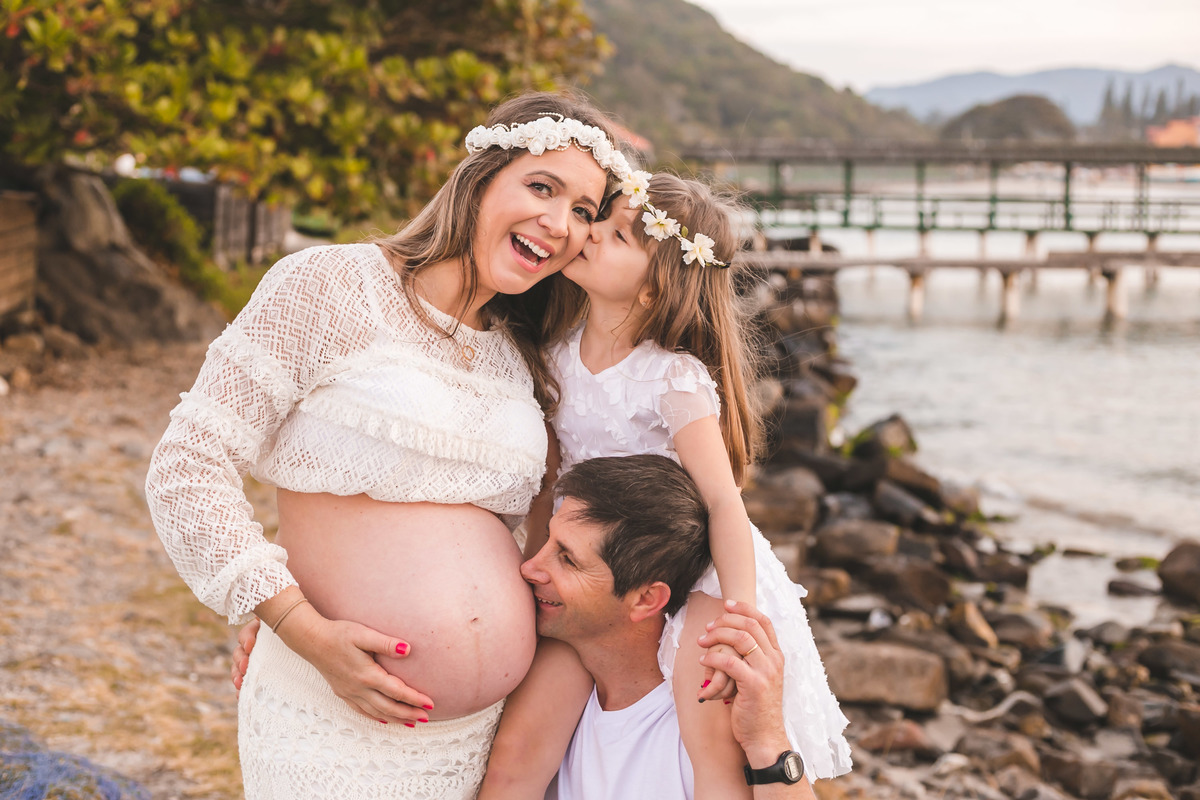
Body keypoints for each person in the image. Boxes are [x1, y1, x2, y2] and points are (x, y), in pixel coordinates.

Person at [144, 91, 632, 799]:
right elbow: (187, 466)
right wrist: (292, 620)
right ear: (479, 178)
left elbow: (517, 531)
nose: (560, 224)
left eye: (584, 210)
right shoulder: (330, 286)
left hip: (480, 737)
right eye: (541, 187)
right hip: (334, 713)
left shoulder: (520, 356)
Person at [480, 169, 852, 798]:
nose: (592, 233)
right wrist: (535, 570)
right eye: (601, 219)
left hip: (698, 566)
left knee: (709, 725)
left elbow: (722, 503)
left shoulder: (671, 377)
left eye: (620, 235)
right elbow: (550, 486)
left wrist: (739, 615)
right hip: (594, 567)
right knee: (517, 748)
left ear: (655, 287)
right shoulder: (558, 355)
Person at [239, 454, 820, 799]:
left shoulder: (698, 719)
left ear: (646, 600)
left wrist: (769, 739)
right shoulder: (545, 699)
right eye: (547, 542)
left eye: (566, 559)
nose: (529, 568)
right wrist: (291, 626)